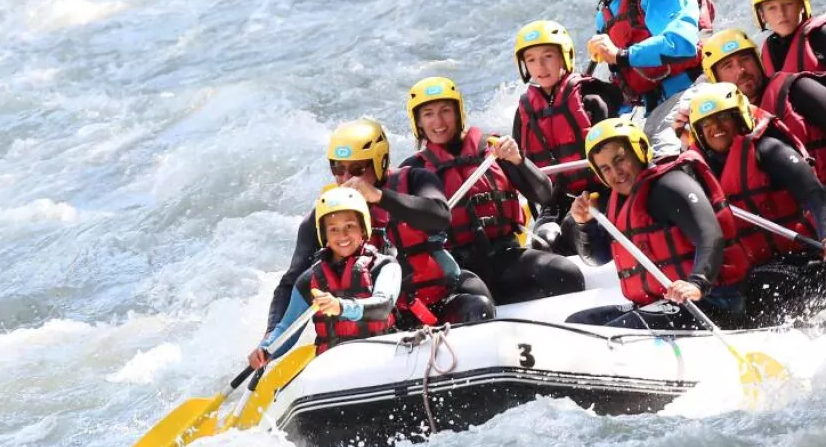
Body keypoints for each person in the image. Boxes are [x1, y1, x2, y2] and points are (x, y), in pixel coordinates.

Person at [263, 118, 494, 338]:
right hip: (380, 319)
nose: (346, 179)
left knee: (478, 305)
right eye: (338, 169)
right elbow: (292, 282)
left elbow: (440, 216)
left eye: (357, 169)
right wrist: (272, 334)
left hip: (439, 300)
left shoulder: (415, 179)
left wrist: (379, 197)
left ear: (380, 161)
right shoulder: (325, 215)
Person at [402, 76, 585, 305]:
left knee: (566, 274)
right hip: (456, 270)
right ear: (418, 122)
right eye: (428, 114)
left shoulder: (494, 149)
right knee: (478, 303)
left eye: (445, 110)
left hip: (505, 255)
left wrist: (518, 160)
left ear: (458, 112)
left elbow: (544, 195)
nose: (438, 121)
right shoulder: (412, 172)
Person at [697, 28, 826, 250]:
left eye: (745, 59)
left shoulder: (797, 89)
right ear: (715, 79)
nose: (741, 70)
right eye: (728, 66)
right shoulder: (723, 129)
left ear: (757, 60)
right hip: (798, 223)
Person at [562, 118, 751, 330]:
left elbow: (710, 235)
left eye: (620, 160)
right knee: (577, 325)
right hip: (663, 302)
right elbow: (599, 258)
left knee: (611, 332)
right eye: (605, 168)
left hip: (711, 302)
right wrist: (585, 225)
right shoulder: (621, 201)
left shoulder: (670, 185)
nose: (615, 173)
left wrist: (697, 284)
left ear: (640, 150)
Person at [685, 84, 826, 325]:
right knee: (752, 287)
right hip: (759, 269)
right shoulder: (698, 172)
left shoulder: (769, 150)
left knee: (763, 285)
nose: (715, 128)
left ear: (739, 118)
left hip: (805, 255)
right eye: (706, 124)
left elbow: (813, 193)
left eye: (722, 118)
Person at [577, 0, 716, 156]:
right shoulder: (607, 13)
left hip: (691, 91)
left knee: (664, 161)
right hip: (651, 107)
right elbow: (624, 79)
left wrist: (619, 55)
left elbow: (682, 44)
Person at [250, 187, 400, 366]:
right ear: (324, 234)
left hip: (383, 358)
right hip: (333, 366)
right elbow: (287, 329)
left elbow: (383, 306)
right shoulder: (309, 280)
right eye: (333, 229)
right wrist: (265, 349)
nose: (342, 235)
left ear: (363, 228)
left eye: (350, 226)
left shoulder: (384, 266)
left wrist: (341, 307)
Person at [511, 20, 620, 225]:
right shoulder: (524, 112)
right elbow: (522, 169)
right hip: (554, 204)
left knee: (575, 227)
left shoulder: (592, 99)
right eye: (531, 60)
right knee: (546, 237)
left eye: (548, 56)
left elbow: (618, 157)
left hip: (600, 196)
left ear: (564, 56)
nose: (540, 67)